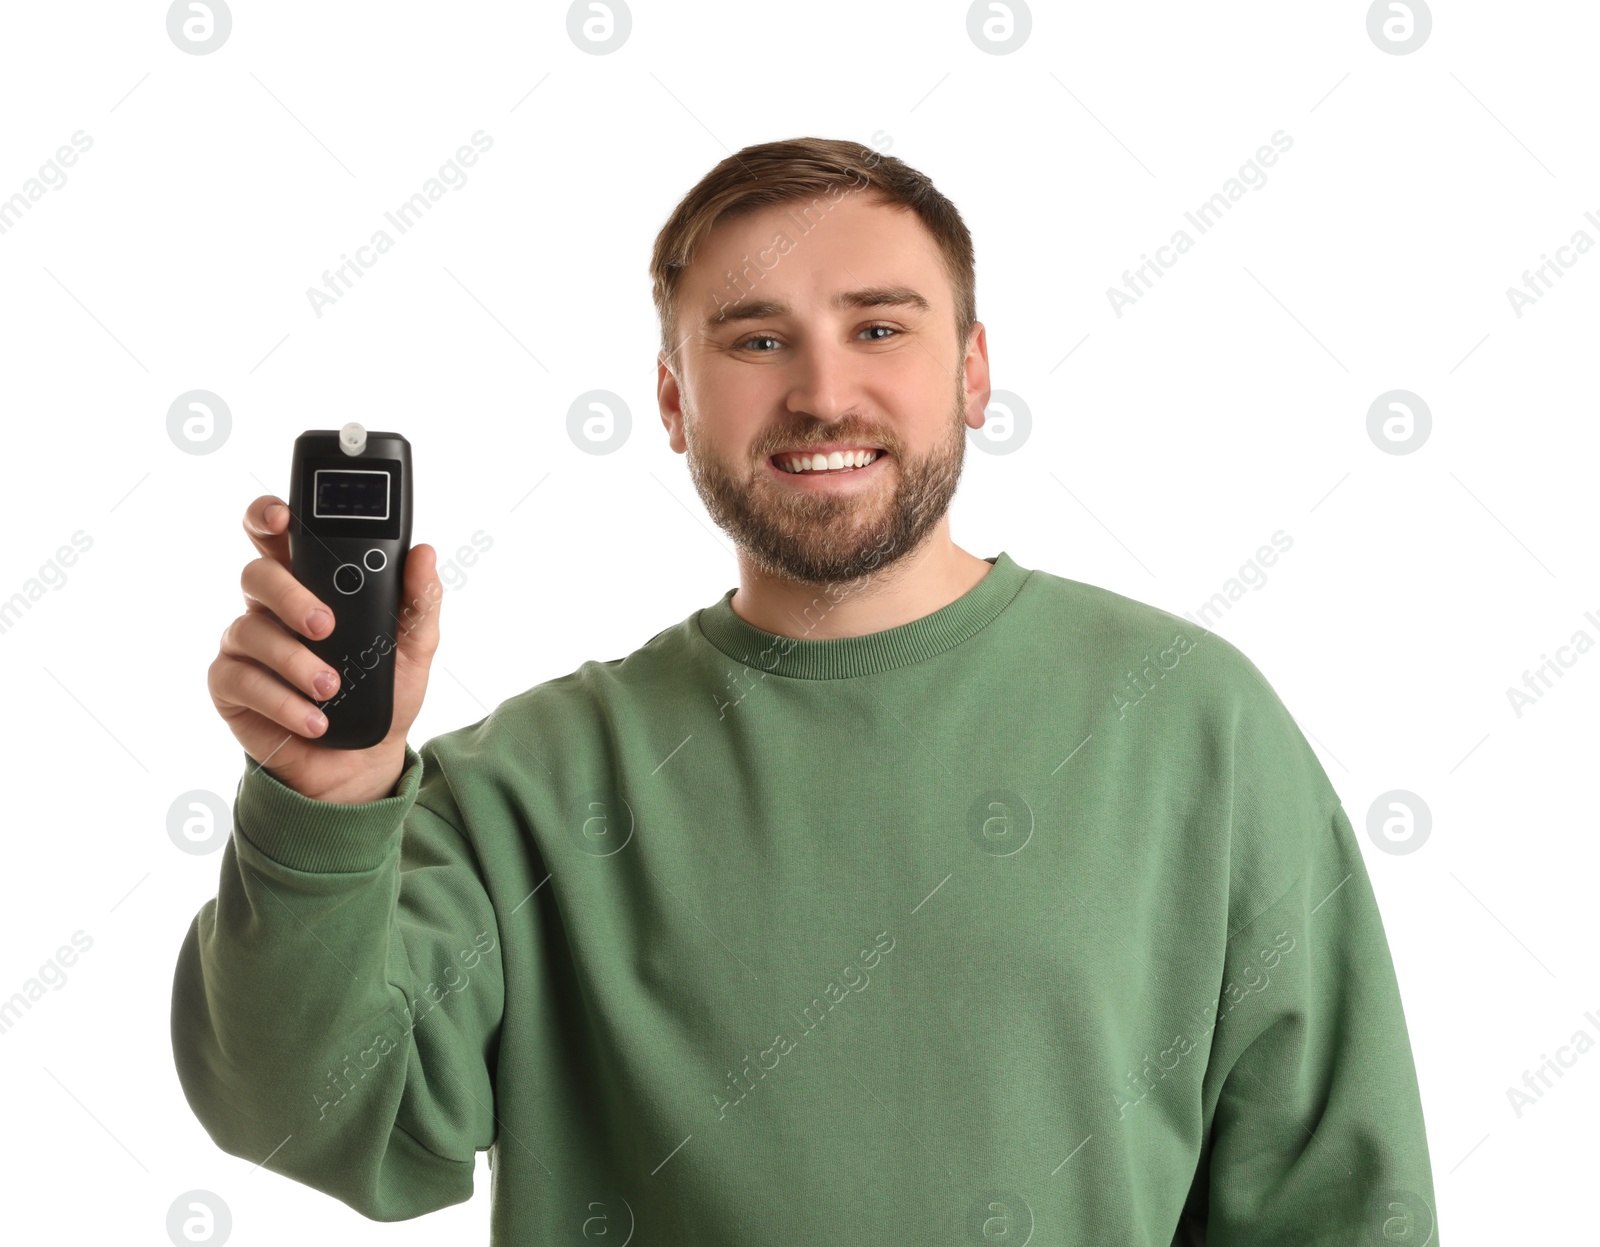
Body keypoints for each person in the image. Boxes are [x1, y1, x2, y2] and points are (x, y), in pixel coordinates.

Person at [171, 136, 1440, 1245]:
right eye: (757, 339)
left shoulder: (1191, 721)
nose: (823, 391)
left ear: (973, 372)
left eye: (879, 327)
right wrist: (322, 803)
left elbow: (1335, 1199)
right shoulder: (524, 785)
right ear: (673, 399)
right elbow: (312, 1115)